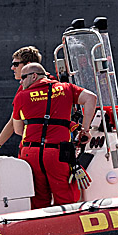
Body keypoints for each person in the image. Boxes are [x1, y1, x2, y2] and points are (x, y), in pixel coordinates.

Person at [12, 62, 98, 208]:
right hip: (58, 153)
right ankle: (68, 227)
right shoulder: (66, 88)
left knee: (39, 199)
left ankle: (42, 228)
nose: (21, 82)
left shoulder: (21, 96)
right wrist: (85, 130)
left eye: (23, 78)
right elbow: (91, 98)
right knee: (65, 197)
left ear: (34, 76)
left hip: (30, 154)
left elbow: (18, 130)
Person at [0, 46, 42, 158]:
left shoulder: (24, 92)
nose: (12, 68)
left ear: (28, 65)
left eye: (16, 64)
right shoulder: (57, 86)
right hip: (57, 149)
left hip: (33, 150)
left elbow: (16, 127)